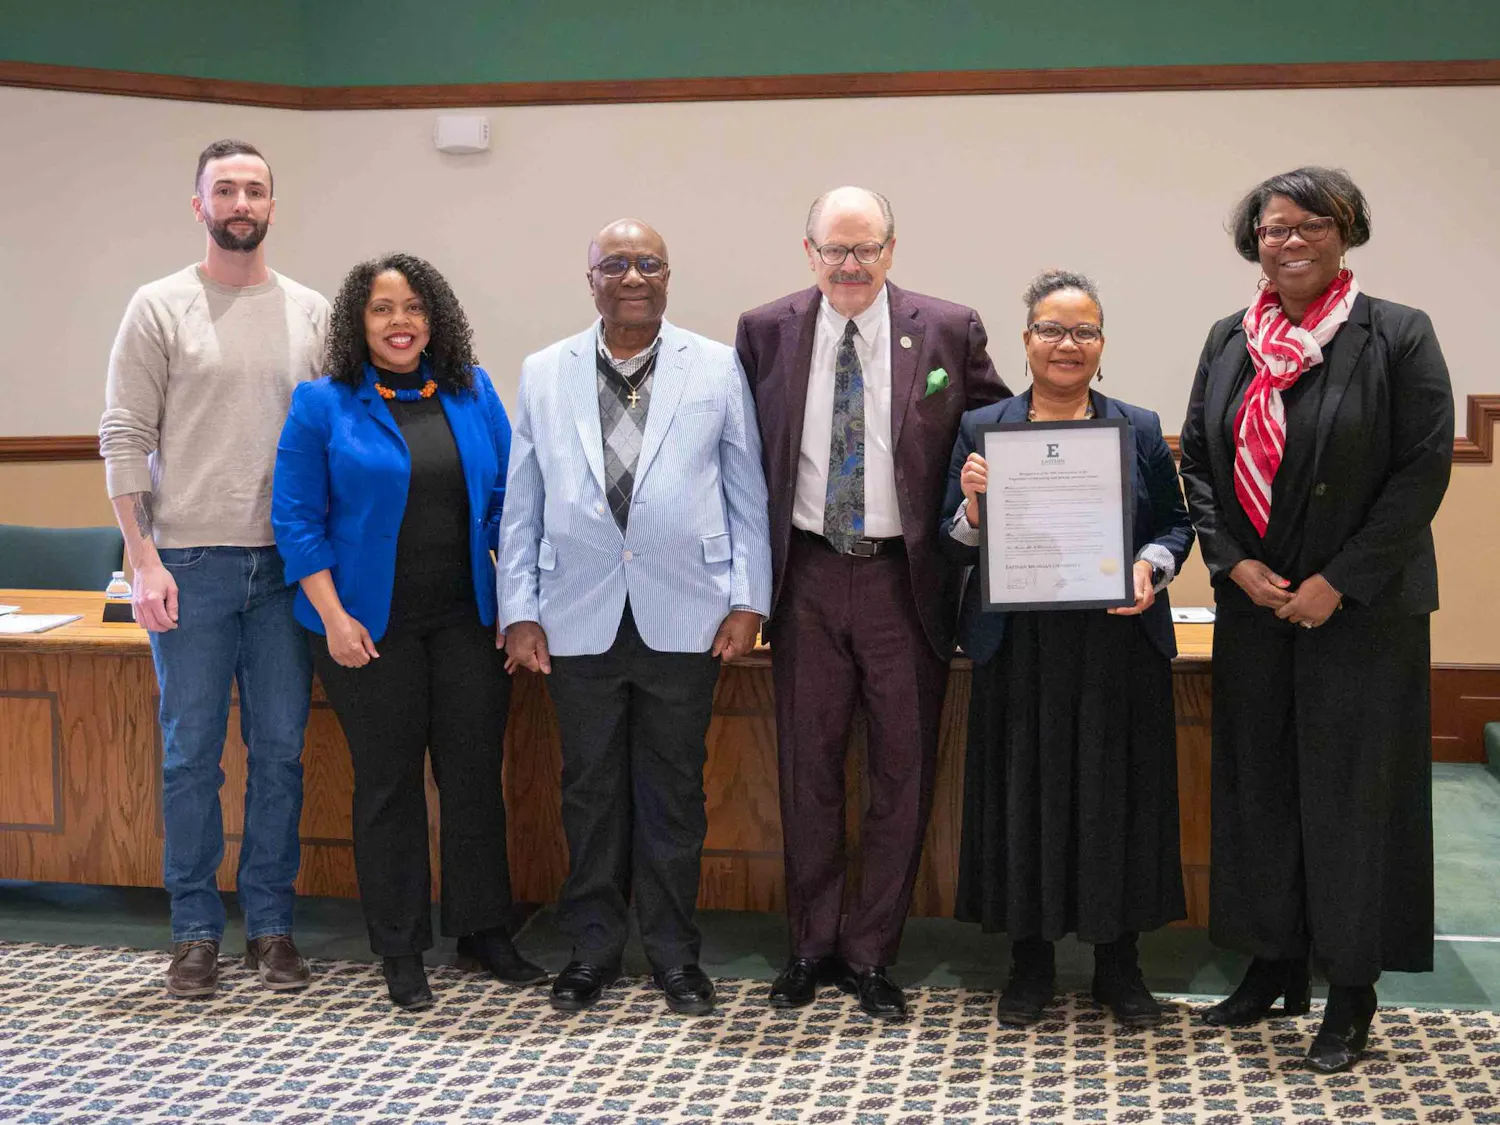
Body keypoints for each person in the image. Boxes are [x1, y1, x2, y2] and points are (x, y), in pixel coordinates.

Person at [1178, 167, 1454, 1072]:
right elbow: (1201, 473)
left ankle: (1351, 988)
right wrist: (1235, 565)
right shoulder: (1228, 339)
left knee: (1351, 802)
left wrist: (1340, 580)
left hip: (1361, 615)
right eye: (1272, 227)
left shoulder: (1399, 335)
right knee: (1258, 790)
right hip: (1256, 609)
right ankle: (1272, 963)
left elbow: (1420, 474)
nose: (1288, 240)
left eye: (1309, 225)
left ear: (1346, 232)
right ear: (1251, 240)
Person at [734, 186, 1009, 1019]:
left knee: (903, 768)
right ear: (808, 252)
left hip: (906, 578)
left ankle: (871, 954)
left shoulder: (948, 328)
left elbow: (999, 425)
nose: (850, 266)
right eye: (834, 250)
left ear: (893, 249)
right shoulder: (764, 330)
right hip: (807, 574)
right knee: (806, 766)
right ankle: (812, 945)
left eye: (866, 249)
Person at [498, 219, 772, 1017]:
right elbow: (523, 501)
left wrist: (748, 599)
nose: (632, 276)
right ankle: (591, 948)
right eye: (613, 263)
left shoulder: (716, 367)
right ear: (589, 279)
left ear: (668, 275)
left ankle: (674, 952)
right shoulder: (545, 371)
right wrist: (519, 610)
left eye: (647, 262)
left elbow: (745, 491)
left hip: (686, 613)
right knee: (587, 792)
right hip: (573, 613)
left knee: (673, 793)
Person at [272, 253, 545, 1010]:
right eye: (383, 309)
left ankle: (483, 929)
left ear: (436, 318)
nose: (401, 322)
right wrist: (333, 617)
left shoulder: (472, 390)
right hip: (366, 628)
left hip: (467, 622)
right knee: (388, 787)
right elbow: (296, 521)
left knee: (472, 778)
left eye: (415, 307)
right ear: (358, 323)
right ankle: (399, 946)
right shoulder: (321, 403)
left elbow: (507, 502)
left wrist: (518, 601)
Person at [100, 139, 328, 998]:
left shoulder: (309, 311)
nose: (241, 202)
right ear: (197, 205)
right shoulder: (159, 306)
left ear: (274, 205)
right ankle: (195, 932)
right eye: (224, 189)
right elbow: (124, 435)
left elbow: (328, 441)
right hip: (186, 564)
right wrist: (143, 556)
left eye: (255, 189)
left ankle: (271, 928)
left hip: (285, 569)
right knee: (191, 757)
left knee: (280, 755)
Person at [941, 270, 1194, 1028]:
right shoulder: (982, 429)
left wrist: (1151, 563)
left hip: (1117, 643)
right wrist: (976, 504)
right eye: (1052, 329)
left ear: (1102, 345)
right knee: (1026, 801)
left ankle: (1121, 967)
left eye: (1084, 331)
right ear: (1025, 342)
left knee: (1118, 802)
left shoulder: (1139, 427)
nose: (1067, 344)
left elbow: (1176, 525)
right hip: (1020, 648)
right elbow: (950, 542)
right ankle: (1030, 963)